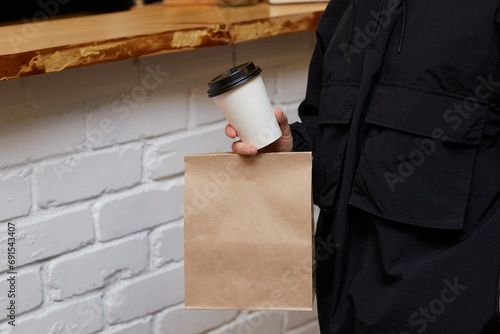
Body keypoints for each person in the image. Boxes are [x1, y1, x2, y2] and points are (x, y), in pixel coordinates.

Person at [225, 0, 500, 333]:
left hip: (450, 309)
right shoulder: (346, 8)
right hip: (341, 303)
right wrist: (289, 146)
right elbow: (327, 137)